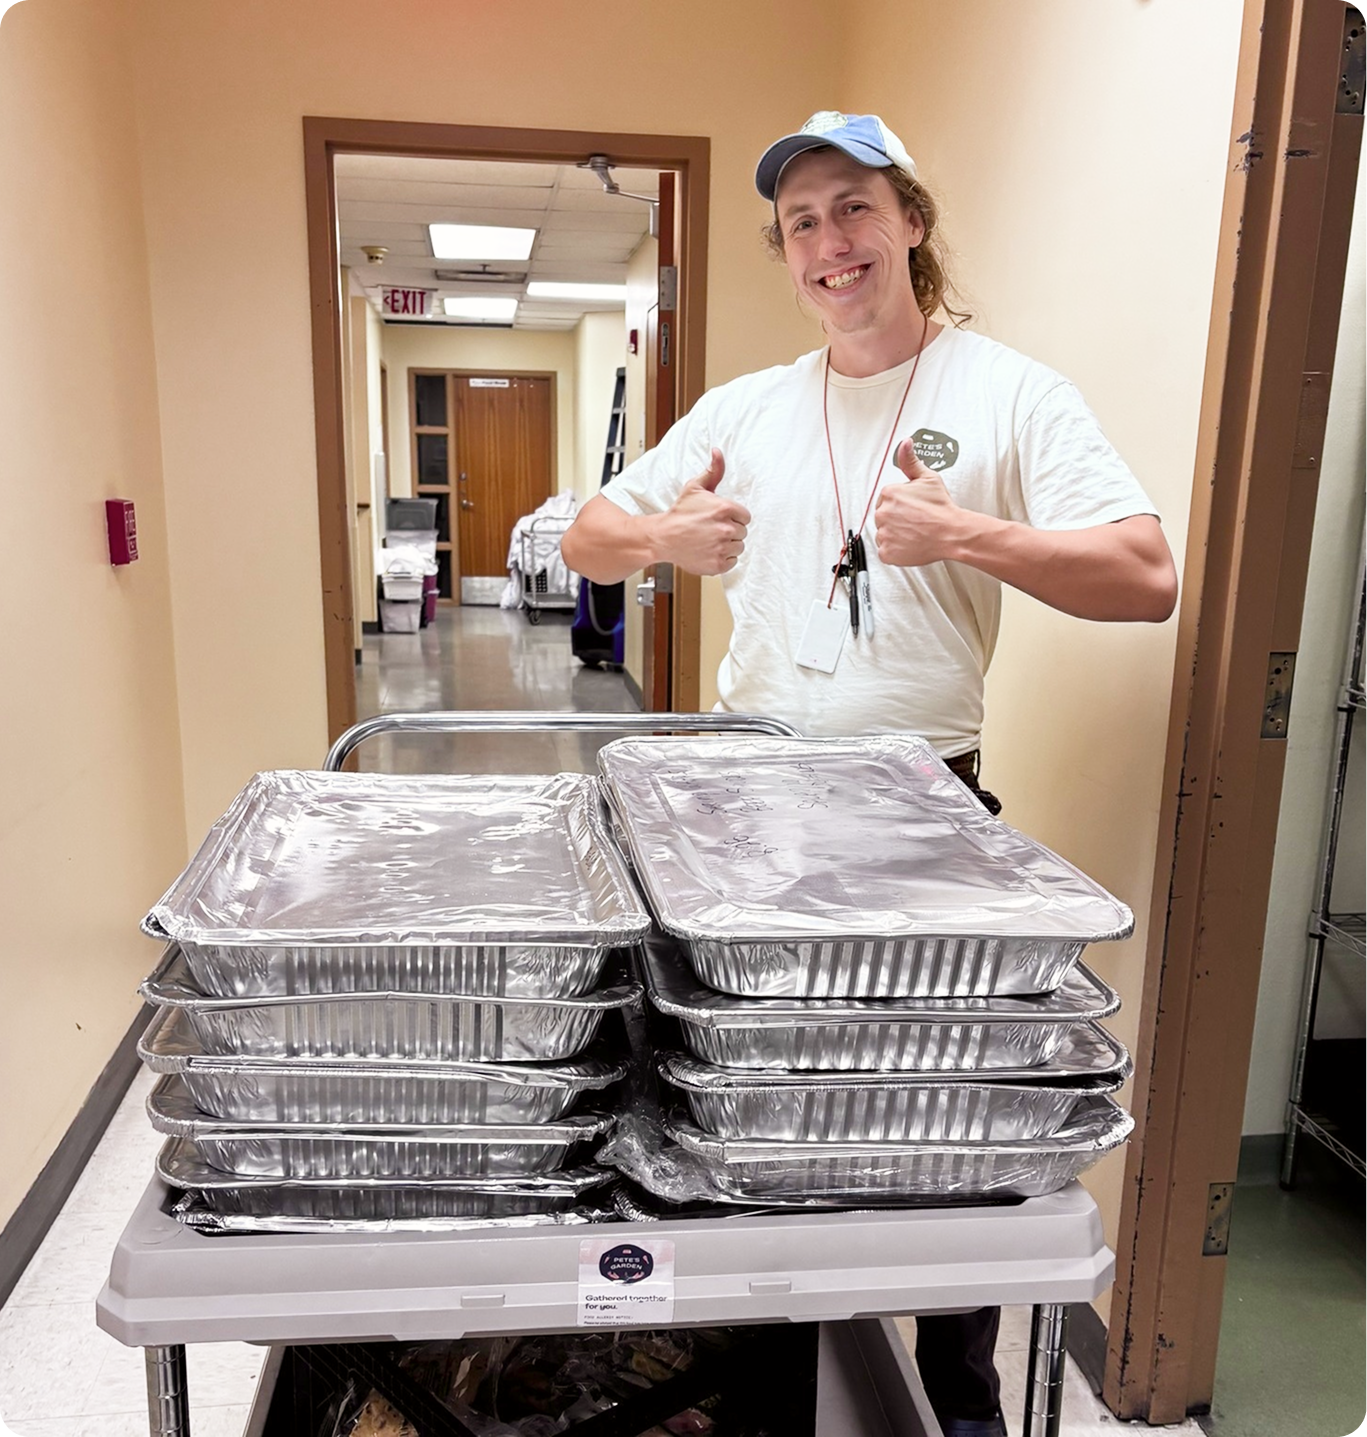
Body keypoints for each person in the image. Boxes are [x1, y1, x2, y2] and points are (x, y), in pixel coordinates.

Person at [562, 110, 1177, 1437]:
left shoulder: (1005, 393)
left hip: (922, 814)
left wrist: (969, 532)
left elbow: (1144, 577)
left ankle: (957, 1399)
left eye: (850, 209)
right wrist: (668, 533)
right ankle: (752, 1380)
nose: (827, 243)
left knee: (942, 1116)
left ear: (907, 221)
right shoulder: (746, 409)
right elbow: (587, 536)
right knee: (742, 1103)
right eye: (800, 222)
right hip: (740, 811)